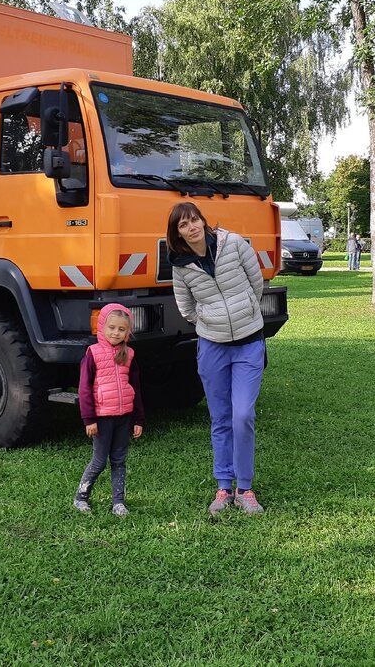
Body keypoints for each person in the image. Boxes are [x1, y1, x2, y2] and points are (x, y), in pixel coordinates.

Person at [167, 201, 267, 516]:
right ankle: (224, 487)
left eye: (194, 220)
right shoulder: (181, 266)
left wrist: (245, 313)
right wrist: (212, 323)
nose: (191, 227)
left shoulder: (234, 244)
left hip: (249, 341)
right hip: (213, 346)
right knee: (220, 418)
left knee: (243, 415)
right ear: (178, 233)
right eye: (183, 225)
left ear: (203, 221)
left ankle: (245, 489)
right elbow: (186, 307)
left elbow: (257, 283)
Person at [73, 303, 144, 517]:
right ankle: (81, 497)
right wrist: (89, 419)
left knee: (119, 460)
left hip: (123, 417)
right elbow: (84, 388)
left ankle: (118, 502)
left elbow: (136, 388)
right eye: (112, 327)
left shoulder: (129, 354)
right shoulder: (92, 354)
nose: (116, 333)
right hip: (102, 418)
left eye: (121, 329)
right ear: (102, 327)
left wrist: (138, 419)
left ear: (127, 332)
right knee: (99, 461)